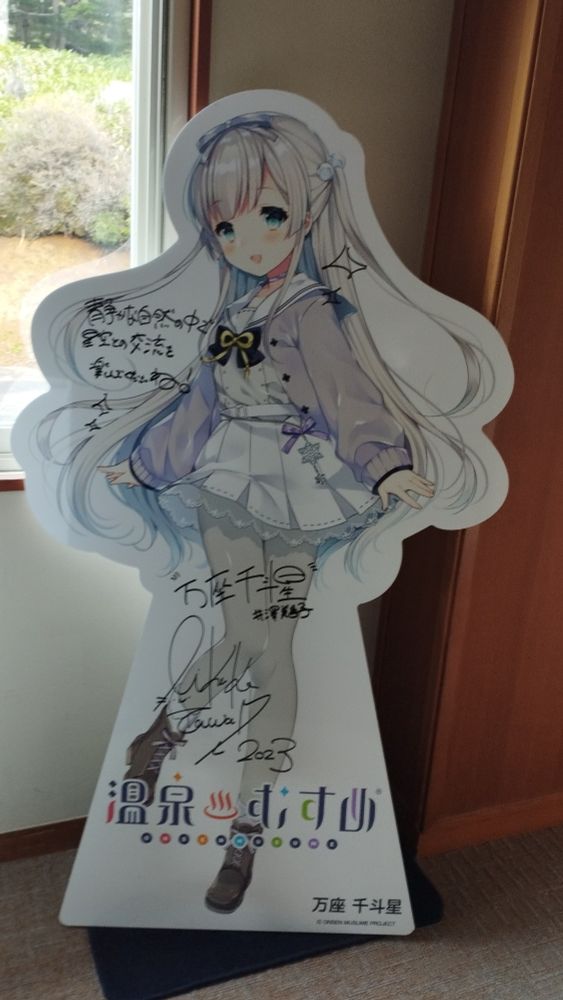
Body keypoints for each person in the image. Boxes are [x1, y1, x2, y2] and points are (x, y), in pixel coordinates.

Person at [39, 111, 490, 913]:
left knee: (271, 646)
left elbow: (348, 397)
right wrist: (142, 464)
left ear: (305, 217)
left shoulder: (312, 308)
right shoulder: (231, 315)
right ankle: (180, 752)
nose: (247, 240)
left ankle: (234, 823)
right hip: (223, 482)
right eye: (227, 225)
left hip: (301, 485)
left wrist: (386, 466)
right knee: (254, 636)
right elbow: (198, 407)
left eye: (269, 216)